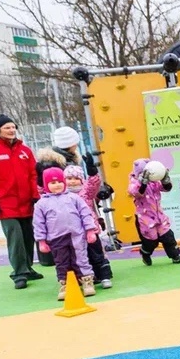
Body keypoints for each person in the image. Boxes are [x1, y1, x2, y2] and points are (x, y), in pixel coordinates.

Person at [0, 114, 44, 290]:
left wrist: (35, 194)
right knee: (16, 238)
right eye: (7, 128)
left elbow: (33, 174)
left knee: (28, 236)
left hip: (26, 202)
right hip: (5, 204)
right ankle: (19, 273)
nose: (11, 130)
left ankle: (27, 267)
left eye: (13, 127)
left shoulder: (25, 151)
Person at [35, 126, 108, 266]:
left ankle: (92, 268)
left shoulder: (71, 159)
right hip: (66, 212)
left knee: (87, 241)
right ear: (71, 143)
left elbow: (83, 186)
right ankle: (81, 269)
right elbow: (48, 189)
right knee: (75, 244)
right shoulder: (55, 163)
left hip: (79, 205)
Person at [34, 167, 100, 300]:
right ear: (46, 185)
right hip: (56, 238)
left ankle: (87, 281)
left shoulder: (74, 198)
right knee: (61, 261)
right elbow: (38, 223)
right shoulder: (42, 203)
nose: (57, 185)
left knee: (81, 258)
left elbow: (85, 214)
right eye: (52, 183)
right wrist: (41, 241)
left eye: (59, 182)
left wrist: (90, 230)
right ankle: (65, 284)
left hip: (77, 235)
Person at [64, 164, 114, 288]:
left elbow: (93, 185)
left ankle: (104, 276)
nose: (72, 182)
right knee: (80, 256)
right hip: (73, 232)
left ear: (81, 180)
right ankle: (85, 277)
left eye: (76, 178)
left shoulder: (85, 192)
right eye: (69, 179)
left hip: (90, 229)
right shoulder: (62, 195)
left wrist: (93, 173)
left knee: (96, 254)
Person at [128, 158, 180, 265]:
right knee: (151, 241)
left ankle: (175, 255)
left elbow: (166, 188)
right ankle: (145, 253)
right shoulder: (134, 182)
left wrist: (165, 179)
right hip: (145, 219)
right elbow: (135, 193)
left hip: (159, 216)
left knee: (168, 236)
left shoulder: (154, 182)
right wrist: (142, 182)